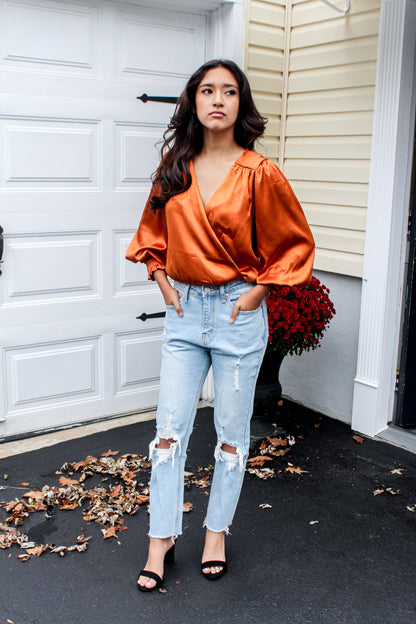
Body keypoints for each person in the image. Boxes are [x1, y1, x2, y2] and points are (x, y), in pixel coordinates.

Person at [126, 59, 315, 592]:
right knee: (168, 435)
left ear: (240, 103)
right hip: (185, 313)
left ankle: (215, 534)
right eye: (207, 90)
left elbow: (294, 243)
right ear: (194, 101)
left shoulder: (259, 172)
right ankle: (159, 540)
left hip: (237, 314)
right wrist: (163, 281)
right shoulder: (174, 167)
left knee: (232, 436)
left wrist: (256, 292)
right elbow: (150, 231)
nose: (217, 100)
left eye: (228, 91)